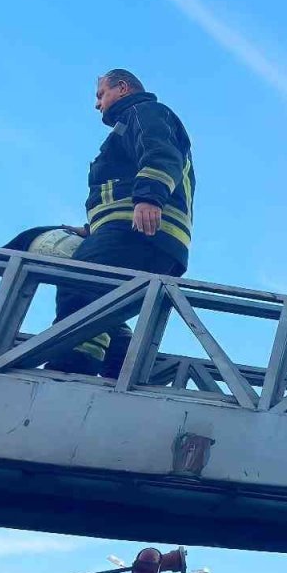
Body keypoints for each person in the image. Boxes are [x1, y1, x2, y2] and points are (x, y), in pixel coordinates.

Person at [45, 69, 196, 376]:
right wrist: (92, 230)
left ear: (123, 88)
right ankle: (121, 363)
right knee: (105, 300)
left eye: (101, 94)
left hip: (139, 229)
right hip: (150, 234)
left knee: (80, 281)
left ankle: (72, 364)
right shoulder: (131, 123)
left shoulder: (144, 112)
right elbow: (120, 186)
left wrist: (149, 197)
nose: (97, 104)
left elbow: (160, 152)